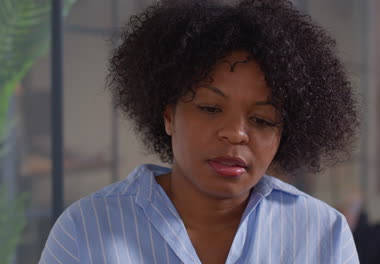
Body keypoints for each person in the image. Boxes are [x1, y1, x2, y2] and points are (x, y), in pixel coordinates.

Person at [39, 0, 359, 263]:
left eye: (261, 119)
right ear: (168, 114)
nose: (235, 134)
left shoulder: (322, 234)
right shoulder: (86, 229)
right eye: (209, 108)